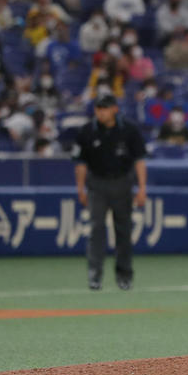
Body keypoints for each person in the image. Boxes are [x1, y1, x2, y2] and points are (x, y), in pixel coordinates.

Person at [72, 94, 148, 291]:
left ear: (114, 109)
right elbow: (80, 163)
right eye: (98, 108)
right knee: (96, 229)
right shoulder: (87, 131)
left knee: (123, 230)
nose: (100, 112)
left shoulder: (129, 130)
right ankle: (94, 275)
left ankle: (124, 275)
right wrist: (80, 189)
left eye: (104, 108)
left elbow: (139, 160)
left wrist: (142, 188)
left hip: (122, 183)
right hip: (97, 184)